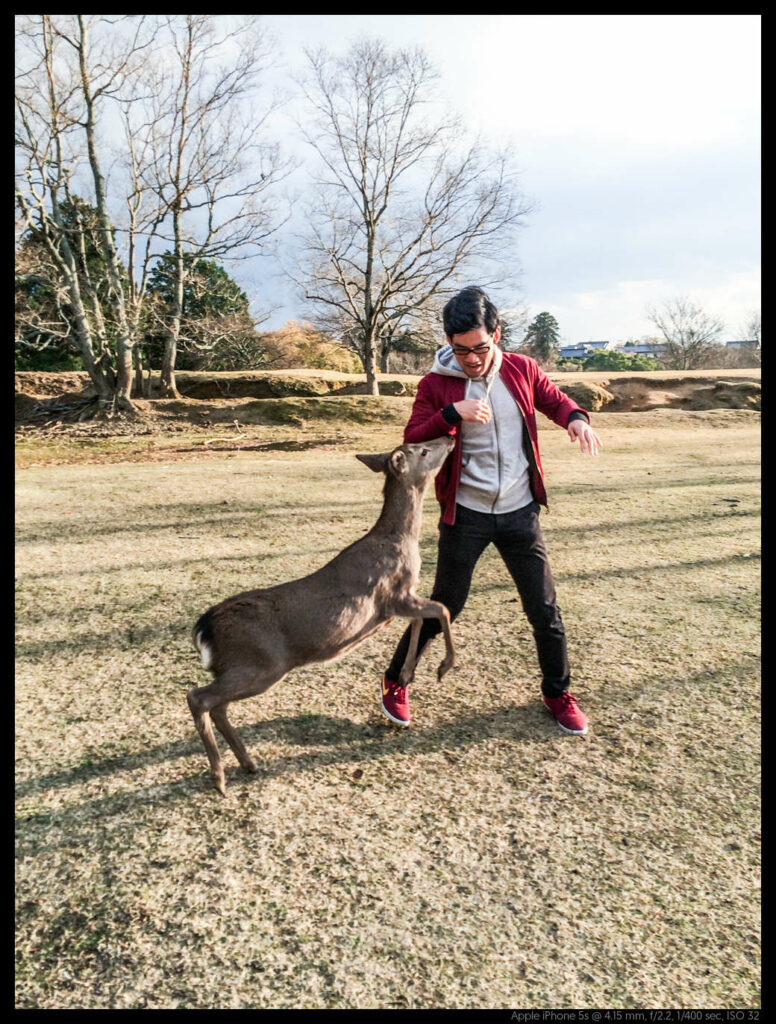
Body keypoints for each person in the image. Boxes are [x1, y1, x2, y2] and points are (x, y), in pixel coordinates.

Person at [380, 286, 602, 735]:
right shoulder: (435, 384)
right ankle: (395, 680)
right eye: (461, 351)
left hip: (520, 511)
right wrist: (451, 412)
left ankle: (558, 691)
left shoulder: (522, 368)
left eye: (481, 348)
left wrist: (576, 417)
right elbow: (412, 440)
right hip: (467, 514)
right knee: (445, 606)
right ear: (448, 342)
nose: (473, 359)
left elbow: (555, 400)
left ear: (496, 335)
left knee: (543, 608)